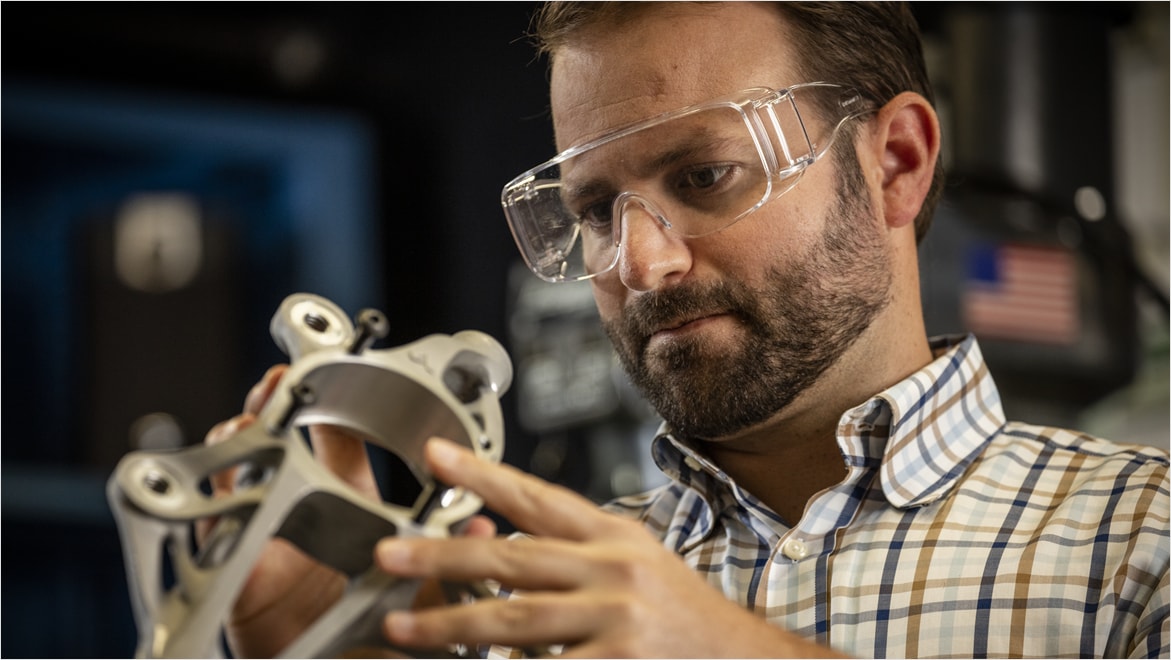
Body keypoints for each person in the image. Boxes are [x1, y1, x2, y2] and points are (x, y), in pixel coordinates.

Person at [205, 2, 1170, 657]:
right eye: (592, 210)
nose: (641, 263)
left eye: (704, 176)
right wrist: (343, 646)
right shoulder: (526, 607)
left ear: (897, 163)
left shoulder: (1138, 543)